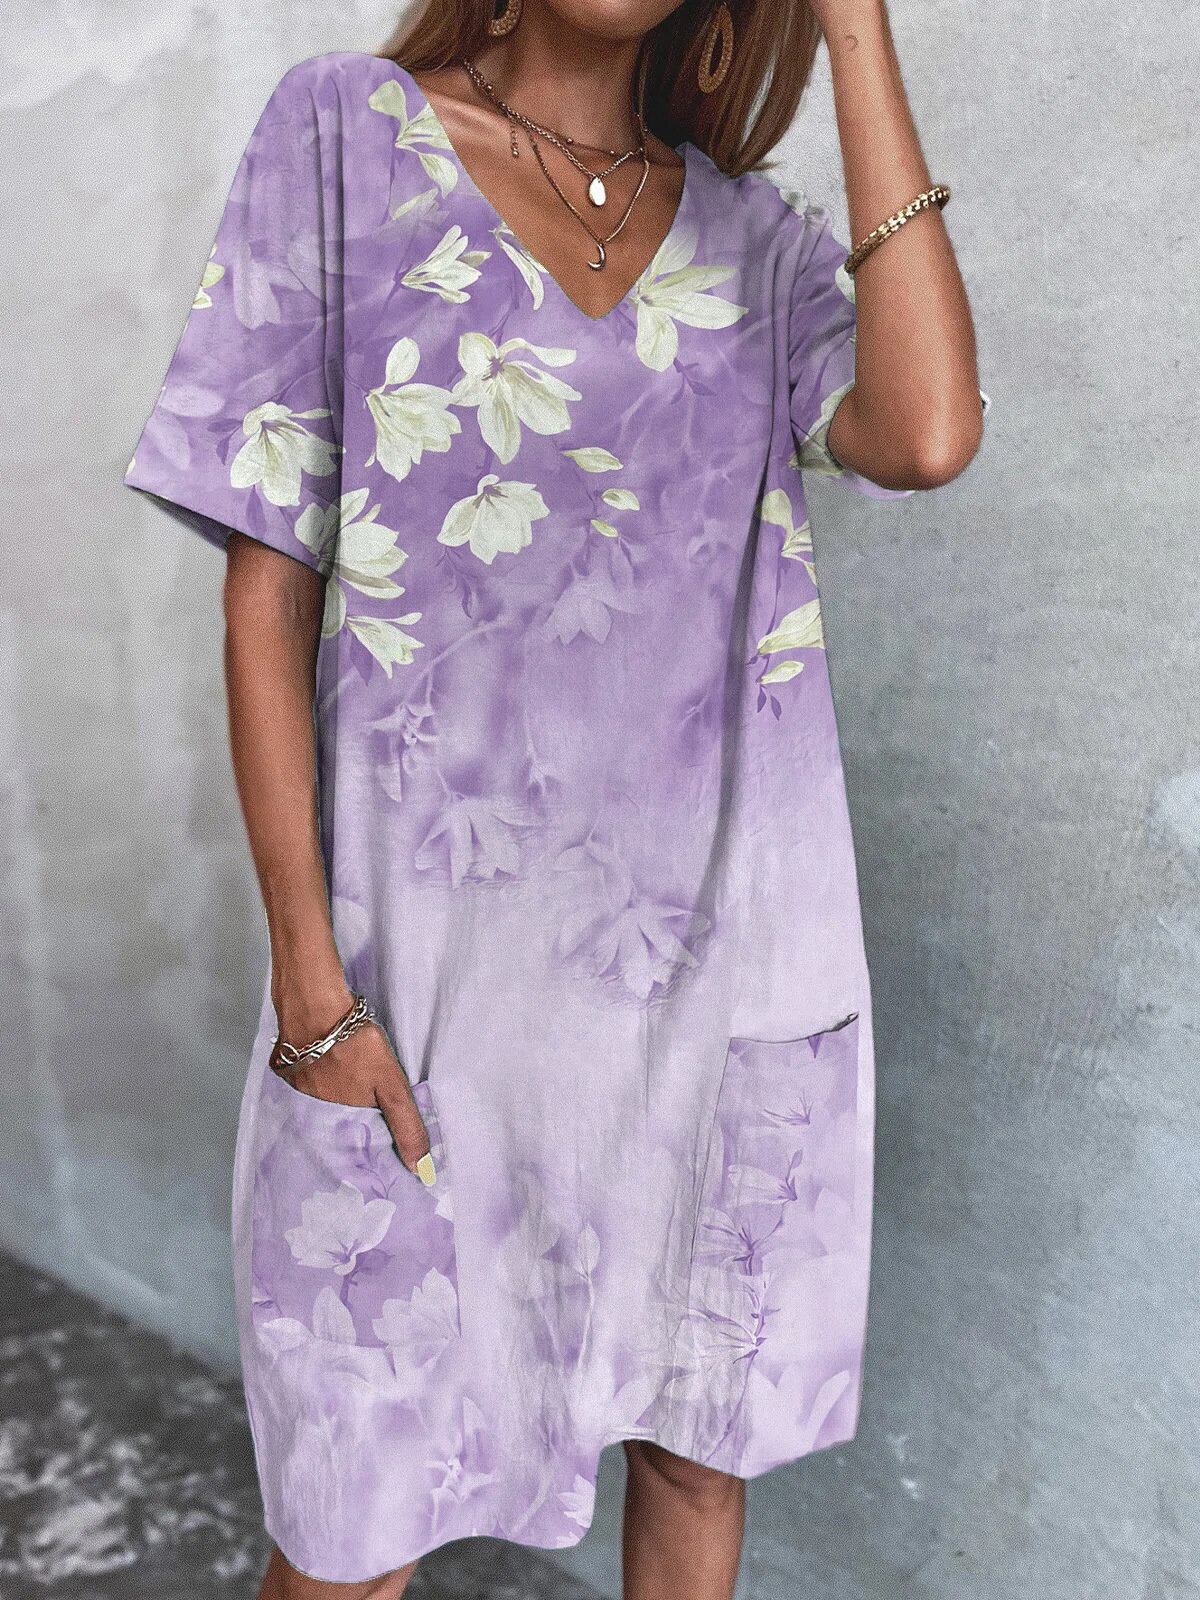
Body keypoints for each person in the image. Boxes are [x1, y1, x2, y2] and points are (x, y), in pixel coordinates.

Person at [123, 1, 984, 1596]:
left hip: (713, 989)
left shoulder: (758, 243)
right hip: (419, 1007)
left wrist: (855, 28)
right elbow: (268, 587)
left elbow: (926, 433)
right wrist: (311, 990)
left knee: (694, 1458)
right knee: (354, 1523)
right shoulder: (345, 132)